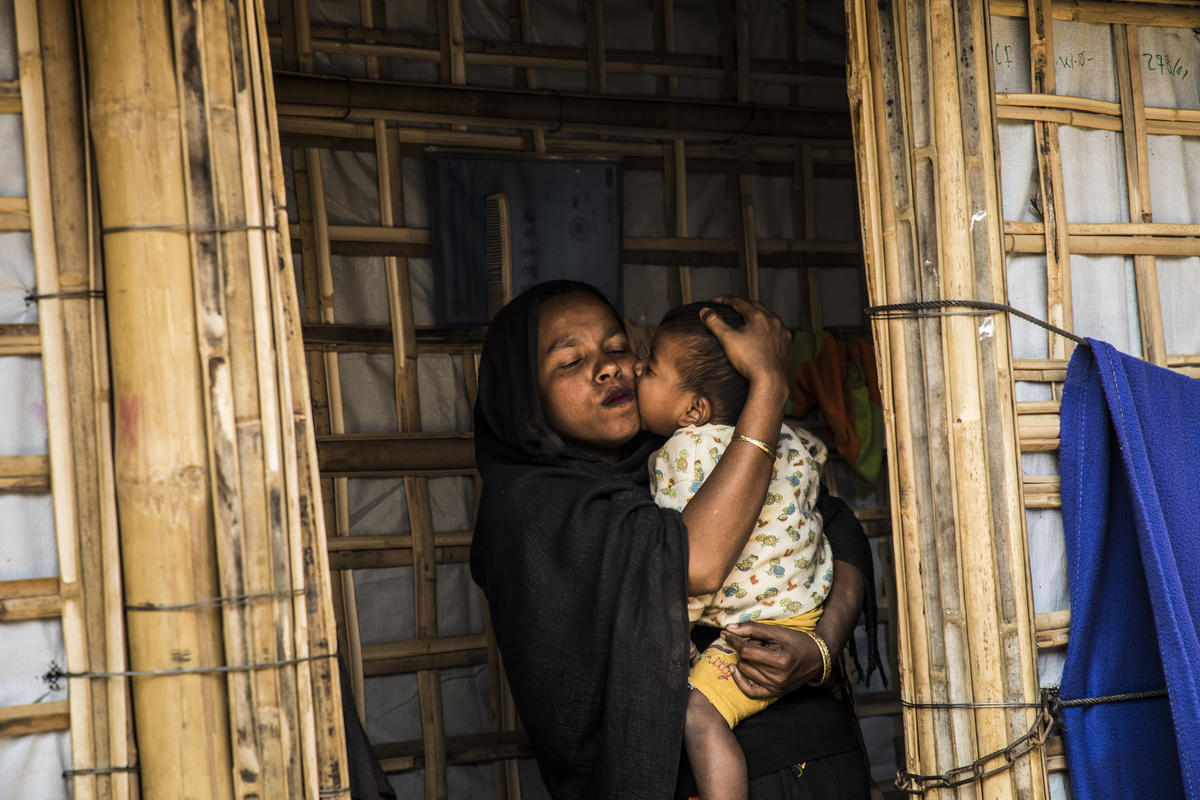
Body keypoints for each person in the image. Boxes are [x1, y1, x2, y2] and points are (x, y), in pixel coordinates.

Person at [470, 280, 877, 799]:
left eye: (618, 348)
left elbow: (838, 525)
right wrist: (769, 384)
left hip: (822, 760)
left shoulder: (680, 453)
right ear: (525, 396)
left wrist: (821, 646)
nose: (611, 367)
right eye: (571, 361)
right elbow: (693, 561)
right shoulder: (534, 510)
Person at [637, 302, 833, 800]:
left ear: (694, 411)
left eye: (651, 369)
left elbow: (684, 561)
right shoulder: (790, 437)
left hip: (756, 630)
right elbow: (817, 467)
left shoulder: (682, 454)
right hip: (808, 610)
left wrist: (676, 632)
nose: (638, 371)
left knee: (696, 712)